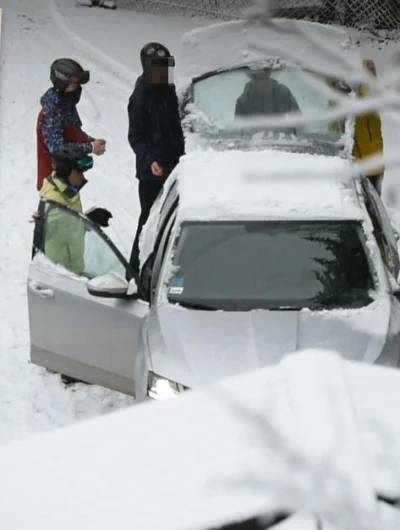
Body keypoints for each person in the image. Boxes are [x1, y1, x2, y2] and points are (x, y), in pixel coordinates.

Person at [127, 42, 185, 272]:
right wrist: (150, 160)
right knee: (149, 221)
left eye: (165, 67)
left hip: (176, 166)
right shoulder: (140, 98)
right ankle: (135, 270)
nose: (162, 73)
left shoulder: (170, 91)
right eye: (157, 68)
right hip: (152, 173)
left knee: (175, 218)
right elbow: (136, 137)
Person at [38, 145, 112, 276]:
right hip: (60, 276)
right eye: (78, 172)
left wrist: (89, 220)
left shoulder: (67, 192)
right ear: (66, 172)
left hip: (72, 271)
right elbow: (51, 230)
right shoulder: (55, 202)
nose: (82, 177)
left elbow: (68, 228)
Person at [36, 58, 106, 193]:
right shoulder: (52, 110)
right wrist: (90, 147)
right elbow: (57, 148)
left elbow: (74, 131)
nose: (78, 88)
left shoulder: (66, 104)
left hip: (69, 178)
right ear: (63, 84)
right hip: (54, 184)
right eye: (75, 84)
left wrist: (91, 141)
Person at [353, 59, 384, 195]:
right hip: (348, 164)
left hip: (371, 162)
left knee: (373, 208)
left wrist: (370, 73)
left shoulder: (367, 101)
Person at [235, 69, 299, 118]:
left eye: (263, 77)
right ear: (252, 80)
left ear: (269, 74)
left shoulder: (283, 93)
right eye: (257, 79)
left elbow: (298, 120)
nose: (261, 83)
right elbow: (238, 131)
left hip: (282, 134)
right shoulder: (243, 101)